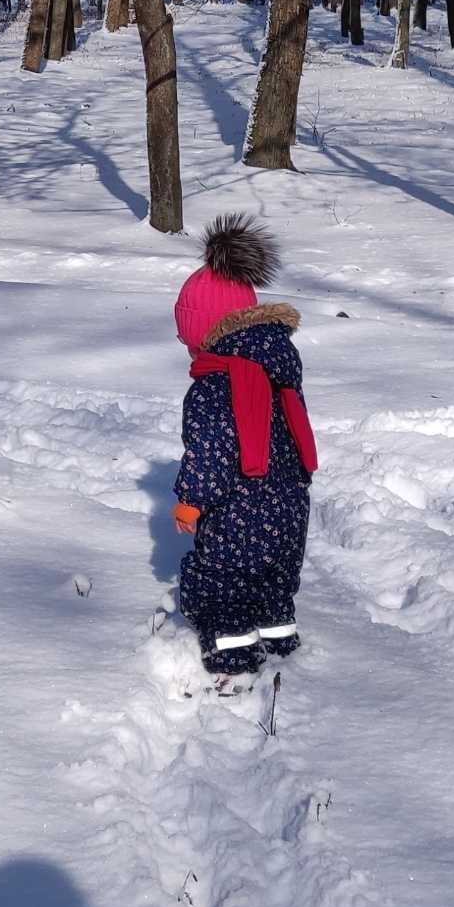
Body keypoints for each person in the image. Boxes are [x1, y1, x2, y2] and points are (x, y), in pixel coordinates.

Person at [172, 213, 317, 676]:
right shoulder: (278, 370)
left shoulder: (216, 382)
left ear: (204, 329)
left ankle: (233, 662)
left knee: (221, 585)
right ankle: (279, 643)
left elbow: (211, 448)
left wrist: (191, 501)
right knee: (274, 583)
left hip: (239, 509)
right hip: (290, 507)